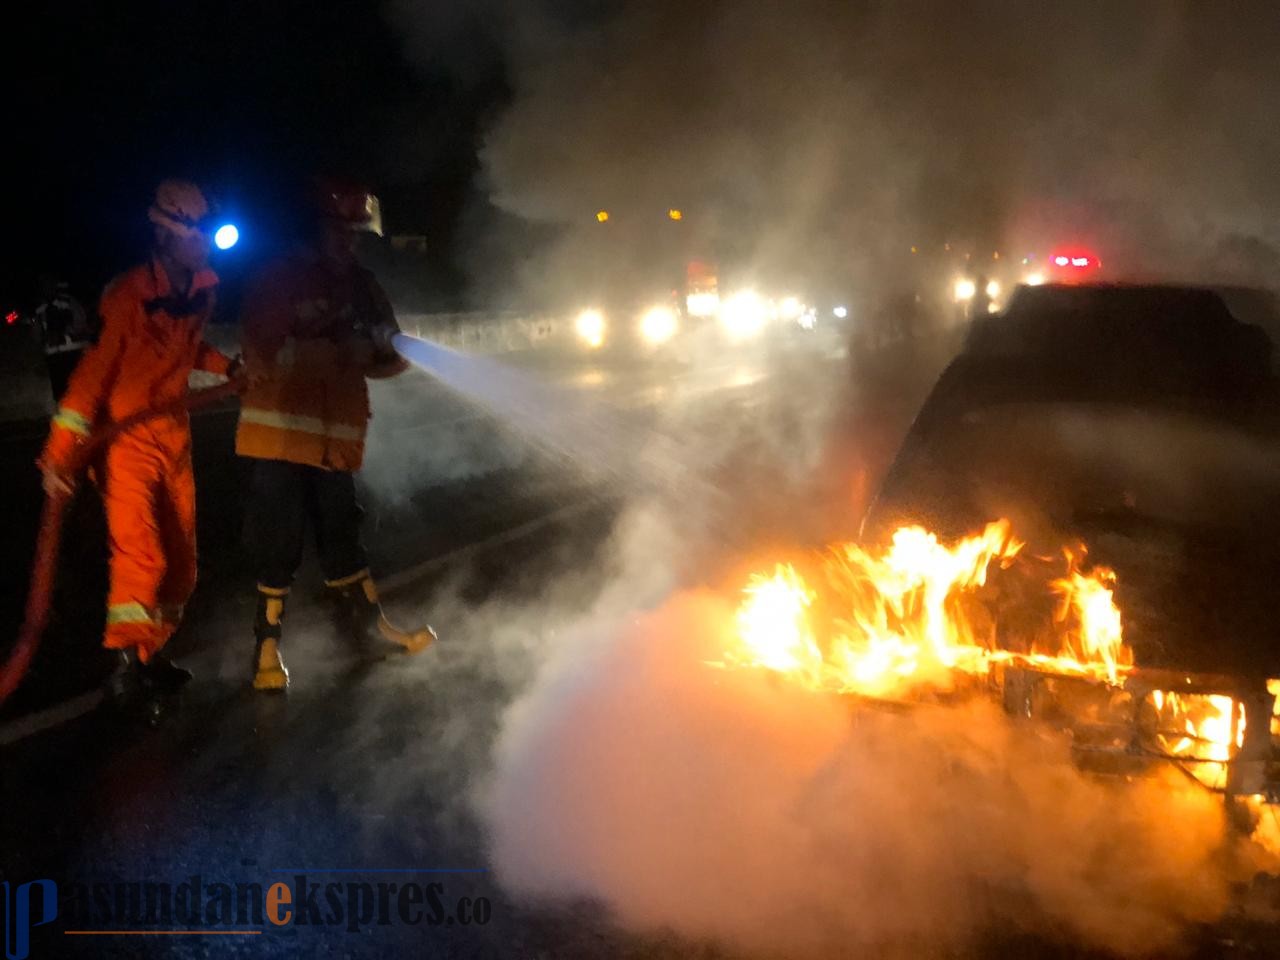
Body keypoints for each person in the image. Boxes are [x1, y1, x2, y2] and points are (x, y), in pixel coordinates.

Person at [39, 180, 240, 700]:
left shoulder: (200, 290)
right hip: (125, 444)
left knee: (182, 561)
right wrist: (61, 456)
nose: (205, 243)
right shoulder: (129, 295)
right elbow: (91, 377)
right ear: (167, 233)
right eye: (199, 233)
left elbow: (191, 349)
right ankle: (126, 668)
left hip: (173, 439)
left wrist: (227, 366)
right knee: (143, 556)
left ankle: (153, 653)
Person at [236, 177, 435, 691]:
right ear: (313, 230)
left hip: (334, 437)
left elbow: (382, 355)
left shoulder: (363, 287)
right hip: (282, 435)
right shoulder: (280, 280)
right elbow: (261, 352)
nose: (349, 242)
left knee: (343, 534)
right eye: (338, 232)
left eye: (355, 234)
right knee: (277, 543)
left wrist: (392, 351)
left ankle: (370, 631)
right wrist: (335, 352)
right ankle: (266, 652)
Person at [34, 276, 93, 398]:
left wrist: (63, 334)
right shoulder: (40, 309)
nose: (47, 289)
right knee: (61, 393)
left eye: (49, 286)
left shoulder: (68, 302)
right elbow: (37, 335)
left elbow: (81, 323)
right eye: (44, 287)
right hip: (53, 355)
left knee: (78, 389)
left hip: (73, 352)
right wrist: (45, 340)